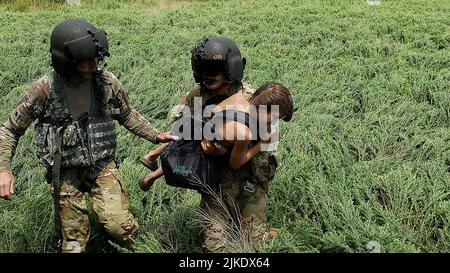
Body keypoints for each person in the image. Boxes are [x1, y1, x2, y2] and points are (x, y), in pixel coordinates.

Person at [0, 19, 176, 253]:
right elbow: (10, 129)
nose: (95, 64)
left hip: (102, 166)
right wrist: (4, 168)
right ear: (68, 61)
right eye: (88, 60)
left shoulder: (107, 83)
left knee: (121, 229)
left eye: (98, 58)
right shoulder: (44, 89)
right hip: (64, 172)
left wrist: (156, 135)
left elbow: (126, 114)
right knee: (74, 244)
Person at [139, 37, 293, 252]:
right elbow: (182, 136)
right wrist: (204, 142)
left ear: (231, 70)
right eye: (203, 69)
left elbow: (271, 134)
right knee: (214, 247)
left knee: (253, 245)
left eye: (214, 70)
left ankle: (264, 234)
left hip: (249, 181)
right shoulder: (196, 98)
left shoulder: (251, 96)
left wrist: (239, 142)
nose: (207, 75)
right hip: (216, 184)